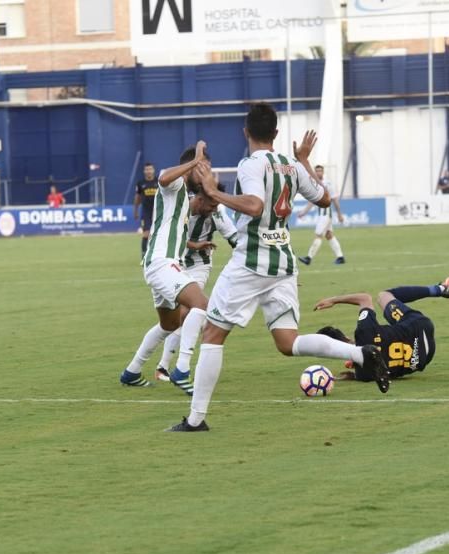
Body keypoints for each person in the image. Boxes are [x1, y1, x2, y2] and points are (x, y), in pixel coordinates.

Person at [167, 103, 389, 433]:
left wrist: (214, 191)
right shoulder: (290, 165)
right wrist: (303, 160)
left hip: (251, 262)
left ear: (246, 133)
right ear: (276, 134)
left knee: (213, 334)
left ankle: (196, 419)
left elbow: (255, 205)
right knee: (288, 342)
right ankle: (360, 353)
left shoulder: (250, 165)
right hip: (283, 264)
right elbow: (325, 199)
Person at [119, 141, 217, 396]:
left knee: (169, 324)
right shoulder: (175, 185)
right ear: (191, 166)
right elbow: (162, 177)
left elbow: (176, 234)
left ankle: (131, 372)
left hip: (161, 263)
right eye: (204, 168)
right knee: (202, 306)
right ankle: (182, 370)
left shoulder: (186, 196)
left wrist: (195, 244)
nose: (207, 172)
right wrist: (195, 160)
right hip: (162, 263)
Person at [156, 185, 238, 382]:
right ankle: (154, 367)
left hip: (199, 265)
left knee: (187, 312)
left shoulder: (217, 212)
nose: (214, 209)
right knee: (173, 319)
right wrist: (194, 245)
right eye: (211, 205)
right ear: (200, 199)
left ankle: (167, 367)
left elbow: (235, 238)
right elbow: (169, 236)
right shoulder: (180, 206)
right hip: (174, 263)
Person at [313, 278, 449, 382]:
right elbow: (364, 298)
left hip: (422, 359)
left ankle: (441, 289)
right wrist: (334, 300)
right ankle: (441, 289)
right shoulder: (364, 332)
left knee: (391, 339)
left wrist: (335, 377)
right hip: (421, 327)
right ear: (345, 337)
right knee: (383, 296)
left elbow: (354, 374)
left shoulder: (364, 374)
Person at [296, 165, 345, 266]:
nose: (318, 173)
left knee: (318, 235)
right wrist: (304, 212)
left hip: (326, 215)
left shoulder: (328, 184)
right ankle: (340, 257)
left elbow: (335, 200)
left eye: (320, 171)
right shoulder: (314, 183)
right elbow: (312, 201)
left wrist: (340, 214)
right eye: (317, 171)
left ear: (323, 172)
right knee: (329, 235)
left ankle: (308, 258)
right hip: (322, 215)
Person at [134, 163, 160, 262]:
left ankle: (158, 255)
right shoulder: (141, 183)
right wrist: (135, 210)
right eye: (147, 169)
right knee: (146, 234)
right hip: (146, 212)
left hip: (158, 212)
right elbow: (137, 197)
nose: (148, 171)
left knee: (159, 234)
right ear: (144, 171)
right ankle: (144, 256)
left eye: (150, 169)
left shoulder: (159, 182)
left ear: (153, 170)